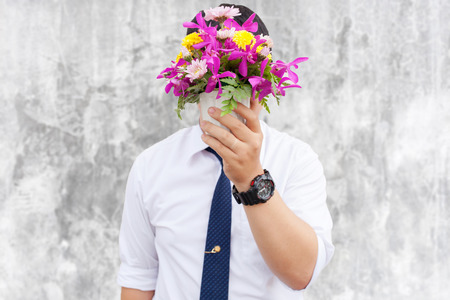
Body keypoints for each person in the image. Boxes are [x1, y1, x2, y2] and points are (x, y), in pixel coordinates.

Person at [118, 4, 334, 300]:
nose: (221, 89)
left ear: (262, 85)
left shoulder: (297, 160)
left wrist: (252, 180)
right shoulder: (151, 166)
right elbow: (139, 275)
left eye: (237, 77)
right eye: (213, 76)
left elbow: (301, 274)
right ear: (190, 82)